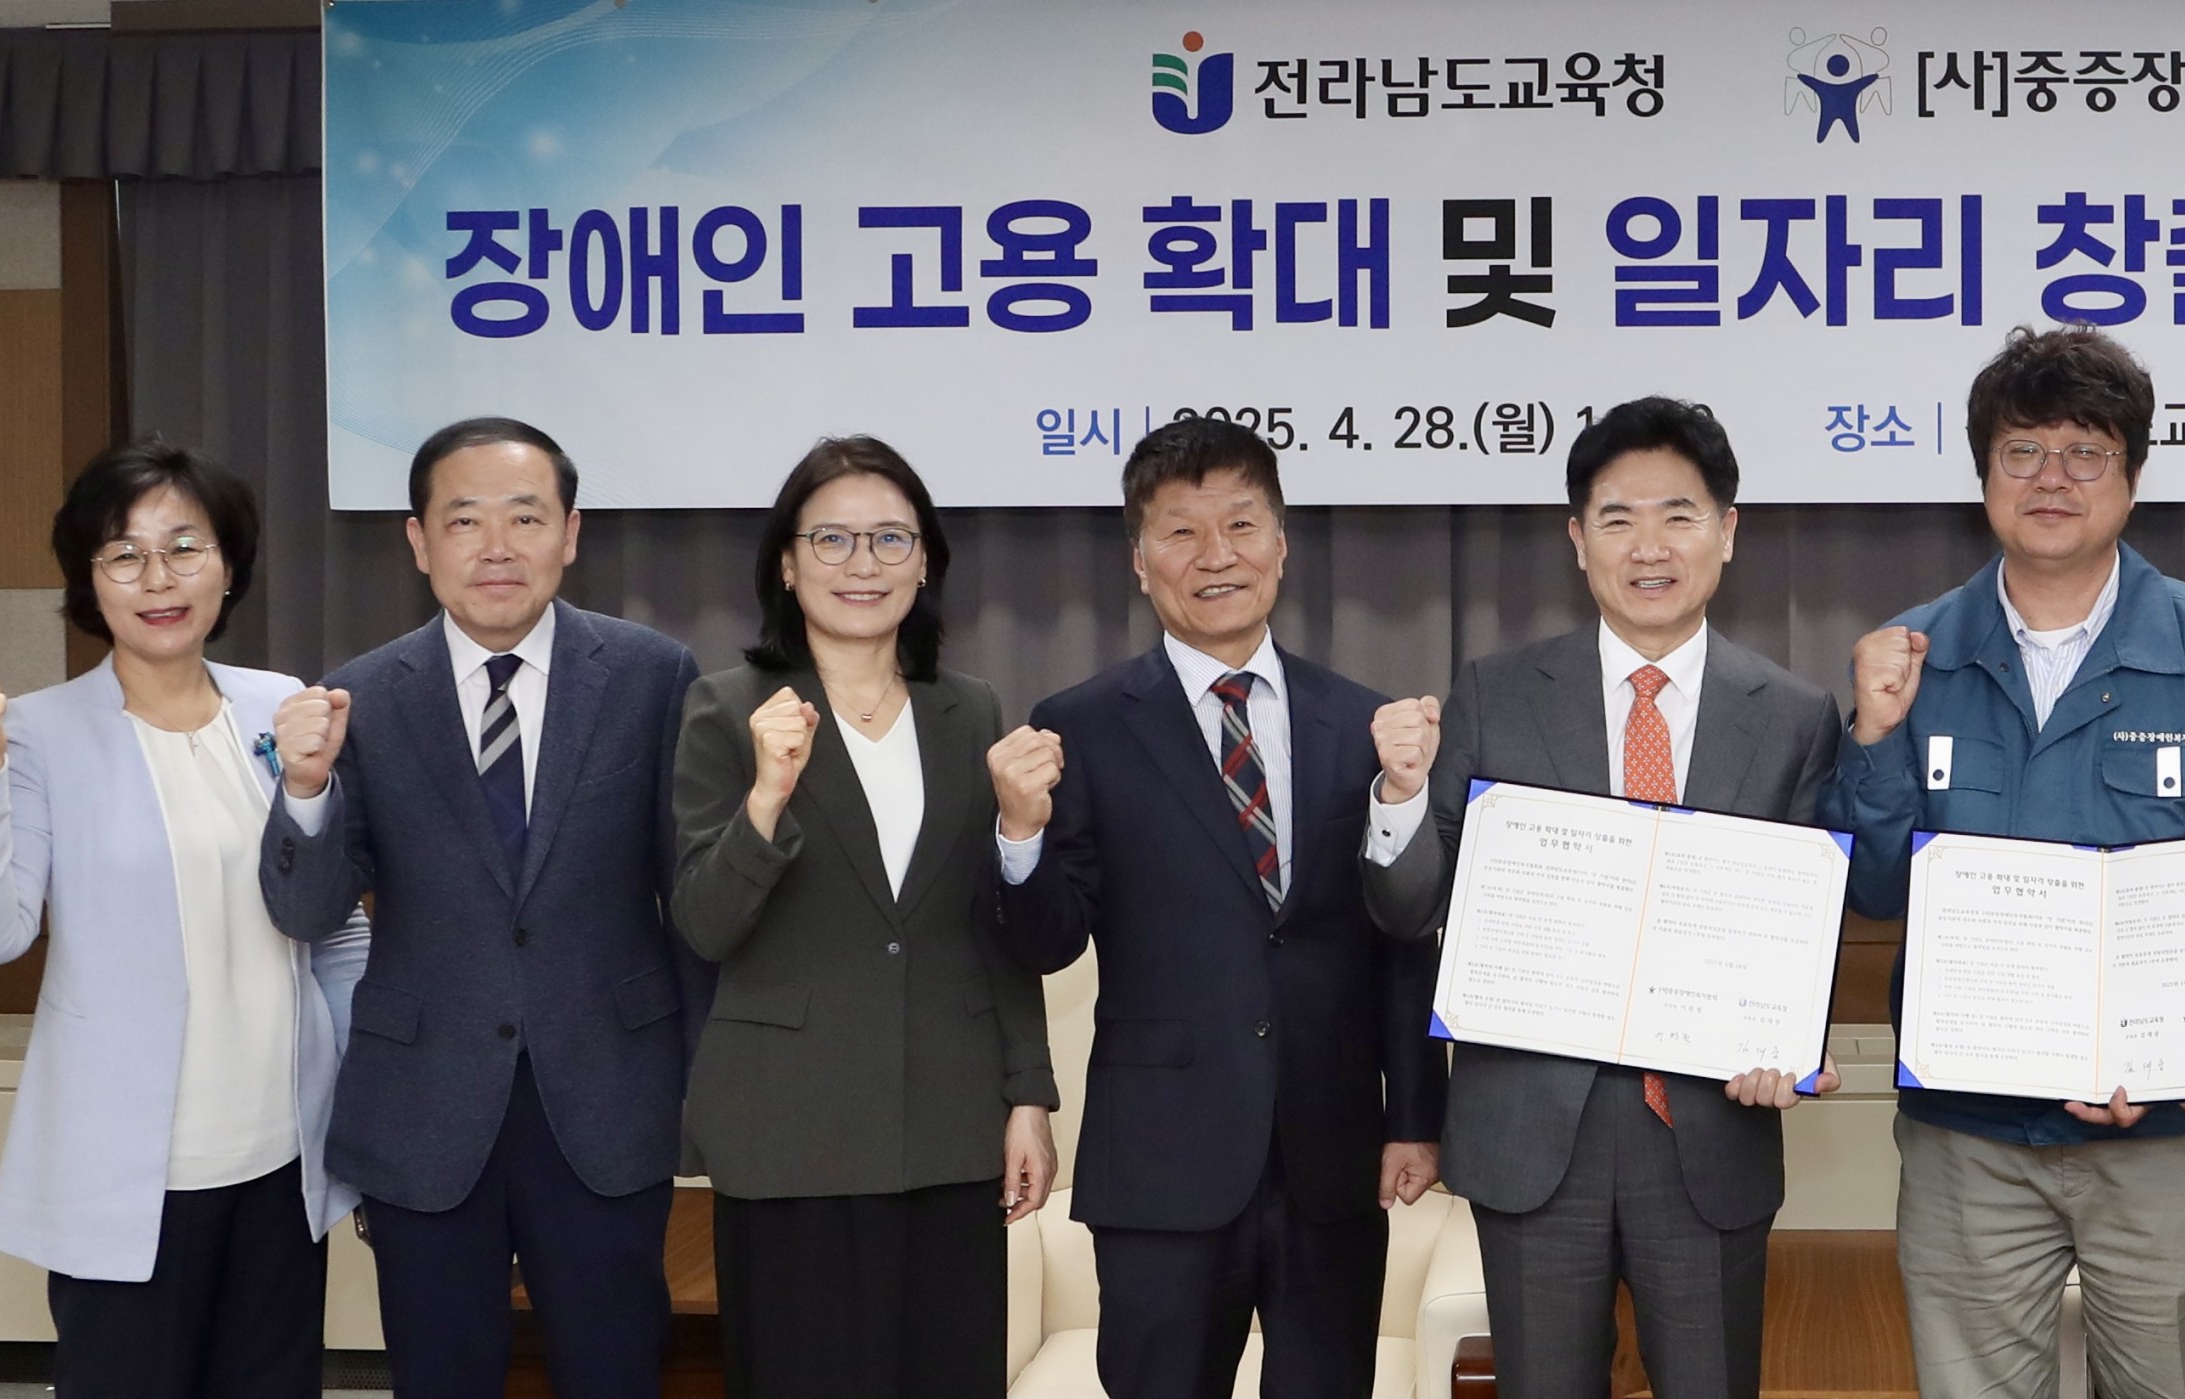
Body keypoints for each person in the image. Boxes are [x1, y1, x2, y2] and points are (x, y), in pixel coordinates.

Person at [1825, 325, 2185, 1399]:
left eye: (2086, 451)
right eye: (2023, 451)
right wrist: (1873, 739)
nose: (2052, 478)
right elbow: (1870, 888)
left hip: (2174, 1135)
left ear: (2132, 477)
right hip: (1972, 1138)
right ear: (1982, 475)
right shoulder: (1908, 655)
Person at [1361, 396, 1850, 1399]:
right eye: (1618, 518)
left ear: (1727, 531)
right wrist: (1400, 797)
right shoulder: (1496, 692)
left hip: (1709, 1135)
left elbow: (1804, 922)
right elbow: (1408, 911)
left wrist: (1792, 1038)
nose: (1649, 546)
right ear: (1578, 540)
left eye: (1679, 514)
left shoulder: (1796, 717)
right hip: (1534, 1135)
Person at [991, 415, 1449, 1399]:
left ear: (1281, 543)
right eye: (1181, 531)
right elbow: (1046, 940)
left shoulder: (1362, 721)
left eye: (1241, 525)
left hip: (1329, 1153)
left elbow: (1400, 939)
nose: (1216, 555)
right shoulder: (1080, 725)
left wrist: (1413, 1114)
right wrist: (1020, 833)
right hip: (1162, 1161)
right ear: (1139, 559)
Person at [260, 417, 707, 1399]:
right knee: (440, 1376)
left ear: (570, 534)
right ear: (419, 541)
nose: (496, 546)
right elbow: (306, 910)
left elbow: (693, 900)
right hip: (423, 1105)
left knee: (614, 1371)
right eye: (464, 520)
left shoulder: (652, 675)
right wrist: (305, 789)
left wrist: (705, 1084)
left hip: (608, 1094)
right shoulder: (361, 697)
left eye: (525, 518)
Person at [0, 443, 370, 1399]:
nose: (158, 579)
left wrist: (373, 1106)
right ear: (88, 581)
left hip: (282, 1157)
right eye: (124, 554)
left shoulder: (279, 705)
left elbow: (333, 928)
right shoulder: (35, 731)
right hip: (127, 1175)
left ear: (228, 565)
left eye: (184, 547)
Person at [668, 438, 1059, 1398]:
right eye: (832, 539)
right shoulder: (729, 708)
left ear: (925, 562)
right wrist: (766, 799)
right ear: (786, 563)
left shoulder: (971, 711)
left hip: (949, 1125)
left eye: (890, 538)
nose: (863, 563)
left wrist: (1029, 1095)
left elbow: (992, 926)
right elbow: (703, 925)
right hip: (788, 1131)